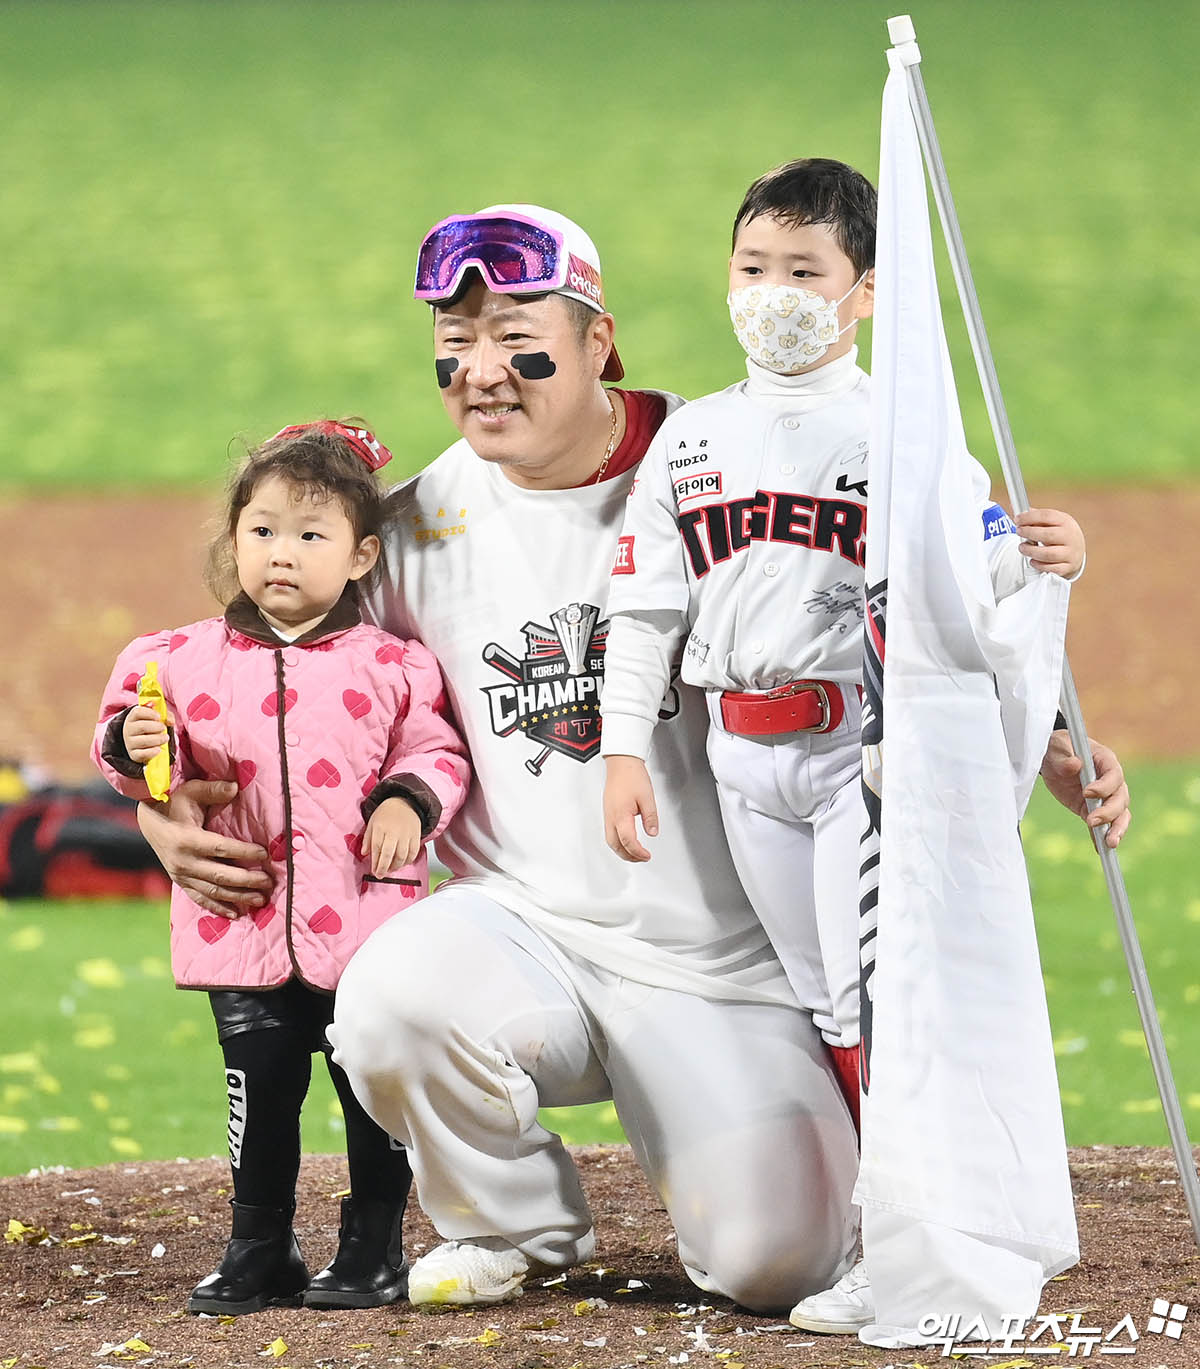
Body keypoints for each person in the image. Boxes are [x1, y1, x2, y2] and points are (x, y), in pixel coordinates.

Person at [133, 206, 1132, 1316]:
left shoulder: (719, 458)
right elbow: (257, 677)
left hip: (730, 964)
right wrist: (155, 811)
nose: (481, 373)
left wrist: (1034, 731)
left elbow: (885, 606)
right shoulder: (412, 529)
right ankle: (509, 1222)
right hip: (527, 933)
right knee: (388, 999)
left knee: (776, 1263)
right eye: (452, 347)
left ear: (599, 340)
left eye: (516, 337)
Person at [598, 158, 1086, 1332]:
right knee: (828, 1002)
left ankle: (907, 1241)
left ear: (866, 291)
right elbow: (645, 607)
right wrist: (622, 749)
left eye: (806, 271)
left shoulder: (907, 435)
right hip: (739, 760)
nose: (776, 292)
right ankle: (900, 1214)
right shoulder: (693, 440)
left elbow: (975, 586)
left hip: (862, 759)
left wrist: (1043, 559)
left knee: (871, 999)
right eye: (755, 266)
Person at [92, 421, 469, 1316]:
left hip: (368, 934)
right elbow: (133, 756)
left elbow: (438, 749)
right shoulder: (174, 662)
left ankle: (373, 1246)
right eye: (262, 531)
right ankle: (259, 1244)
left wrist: (406, 802)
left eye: (311, 535)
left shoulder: (394, 665)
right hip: (243, 928)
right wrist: (133, 742)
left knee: (369, 1092)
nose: (283, 555)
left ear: (361, 552)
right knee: (261, 1094)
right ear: (234, 541)